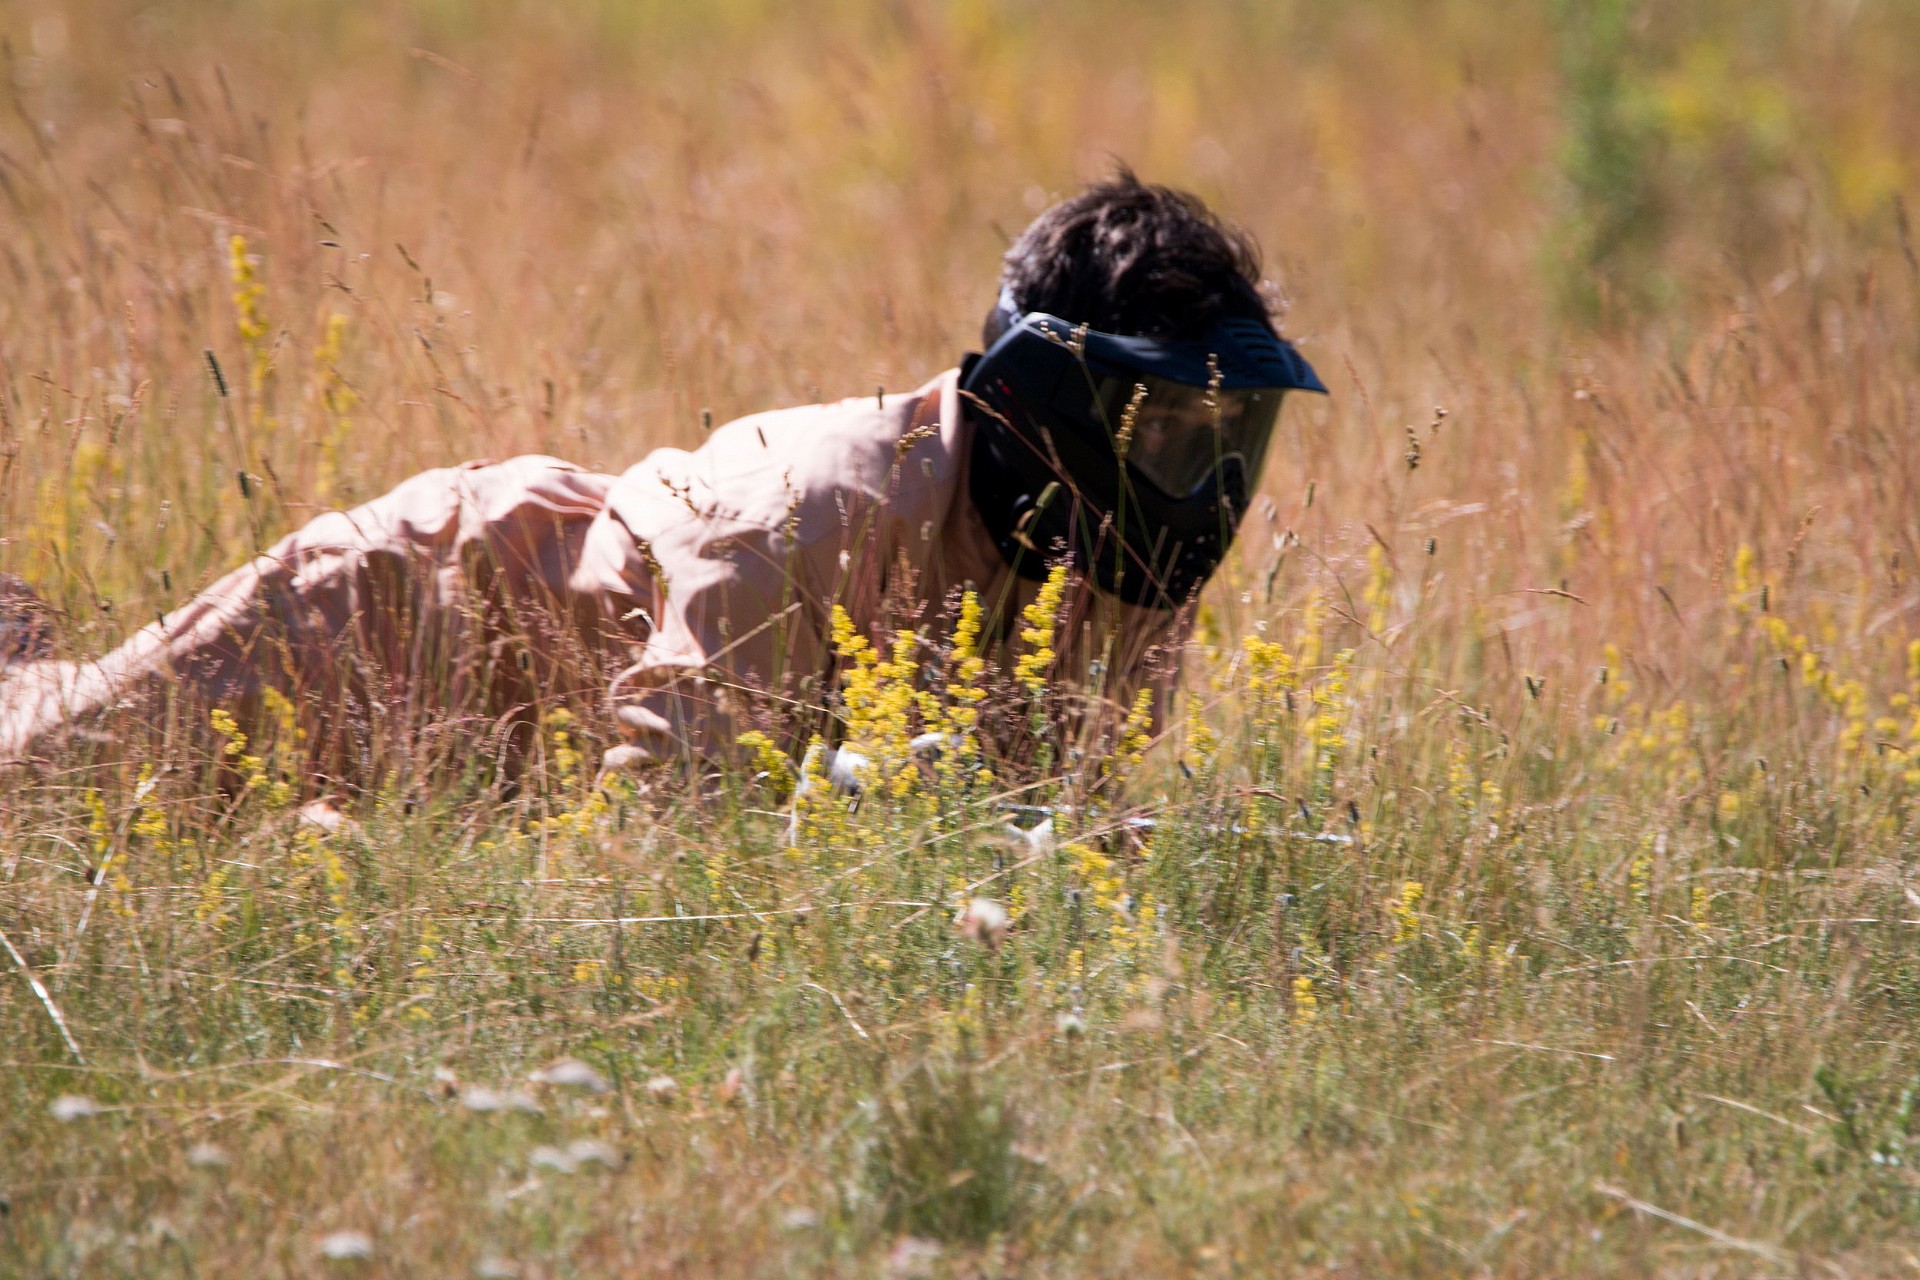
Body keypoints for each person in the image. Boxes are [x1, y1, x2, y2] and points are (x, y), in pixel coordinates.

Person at [0, 172, 1323, 784]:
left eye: (1232, 434)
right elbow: (663, 887)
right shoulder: (795, 520)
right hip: (398, 624)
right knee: (37, 788)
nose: (1207, 479)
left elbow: (1051, 839)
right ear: (1043, 404)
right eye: (1172, 429)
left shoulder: (1117, 553)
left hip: (506, 778)